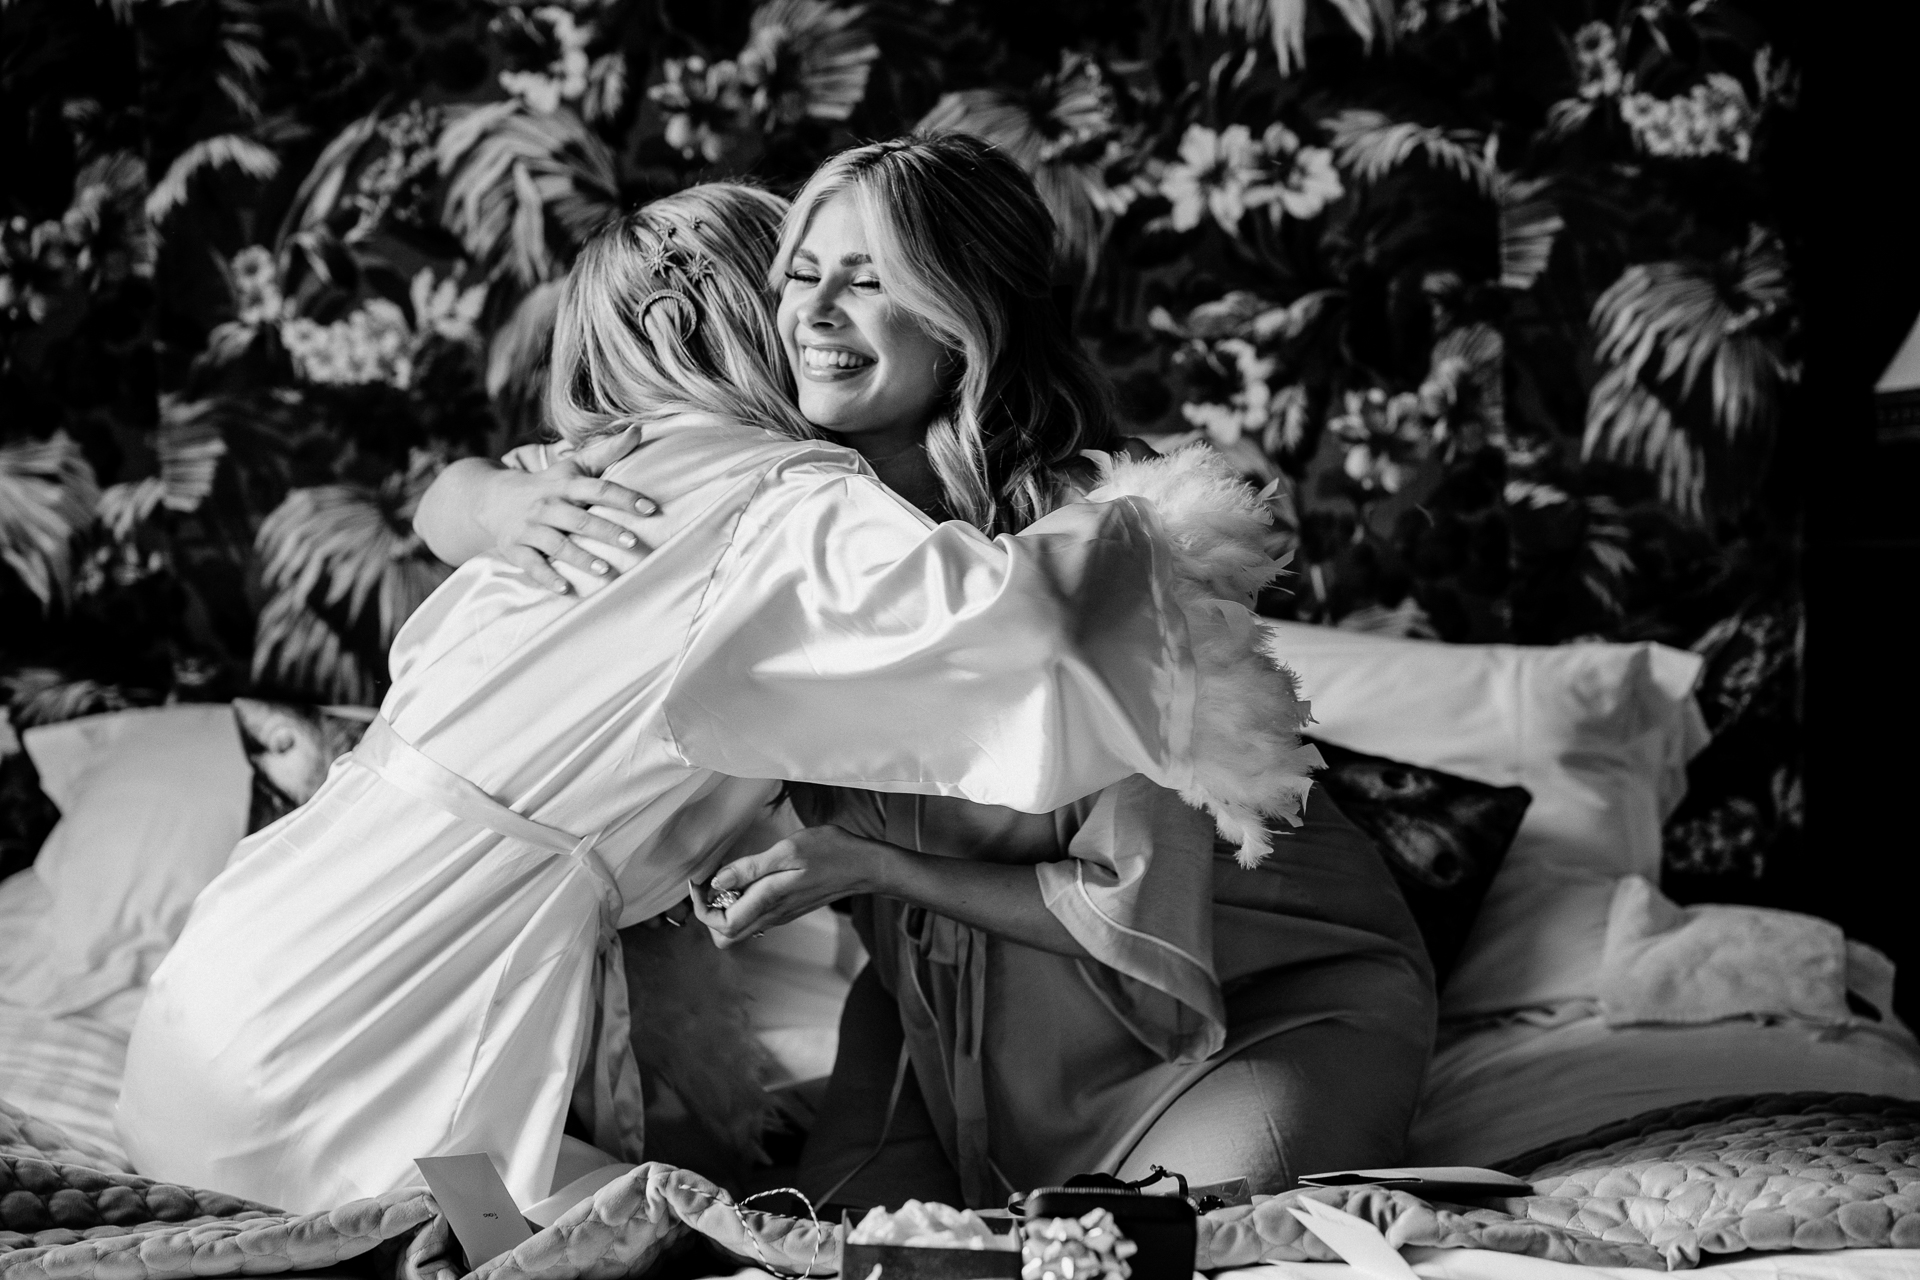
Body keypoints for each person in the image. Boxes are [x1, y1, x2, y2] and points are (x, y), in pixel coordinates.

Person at [114, 181, 1318, 1214]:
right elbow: (1021, 620)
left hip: (210, 1007)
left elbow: (459, 506)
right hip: (360, 1019)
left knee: (663, 1207)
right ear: (717, 317)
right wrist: (1175, 524)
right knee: (670, 1234)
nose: (819, 318)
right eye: (795, 284)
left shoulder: (599, 473)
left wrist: (472, 498)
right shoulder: (786, 500)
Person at [437, 136, 1435, 1209]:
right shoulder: (756, 495)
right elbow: (474, 492)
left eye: (868, 283)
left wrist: (871, 867)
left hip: (1248, 1003)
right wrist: (489, 505)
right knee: (830, 1237)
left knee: (1152, 1235)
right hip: (942, 1009)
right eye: (800, 277)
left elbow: (1134, 901)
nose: (817, 313)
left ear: (962, 323)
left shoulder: (1095, 556)